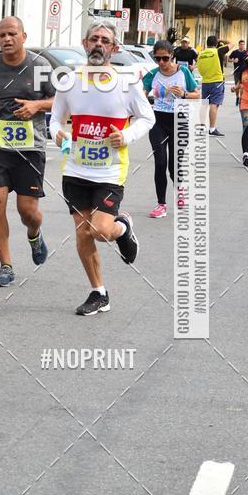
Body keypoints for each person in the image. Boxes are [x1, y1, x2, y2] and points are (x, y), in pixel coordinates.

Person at [49, 22, 154, 315]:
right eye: (94, 39)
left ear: (114, 48)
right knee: (83, 234)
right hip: (75, 169)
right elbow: (55, 120)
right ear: (85, 43)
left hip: (109, 171)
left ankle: (122, 229)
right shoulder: (69, 82)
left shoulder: (126, 83)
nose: (98, 44)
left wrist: (127, 135)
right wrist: (57, 133)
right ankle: (99, 292)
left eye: (105, 40)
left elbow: (147, 118)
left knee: (100, 230)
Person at [0, 16, 54, 287]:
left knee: (27, 211)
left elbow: (61, 100)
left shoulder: (40, 66)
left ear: (23, 36)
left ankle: (34, 233)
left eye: (12, 34)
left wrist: (36, 106)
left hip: (30, 147)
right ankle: (6, 266)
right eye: (2, 35)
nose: (7, 39)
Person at [142, 40, 200, 218]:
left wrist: (183, 94)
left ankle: (180, 192)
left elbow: (197, 95)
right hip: (158, 121)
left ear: (172, 56)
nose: (161, 62)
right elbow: (141, 97)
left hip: (179, 121)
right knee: (160, 163)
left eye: (165, 58)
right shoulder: (152, 74)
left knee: (174, 165)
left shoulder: (183, 72)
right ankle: (161, 204)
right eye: (157, 58)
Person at [196, 35, 227, 136]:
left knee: (204, 105)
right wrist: (221, 40)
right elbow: (232, 44)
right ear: (216, 43)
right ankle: (212, 129)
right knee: (214, 104)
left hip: (205, 81)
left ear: (207, 43)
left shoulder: (201, 54)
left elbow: (199, 68)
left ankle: (201, 127)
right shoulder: (218, 51)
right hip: (217, 81)